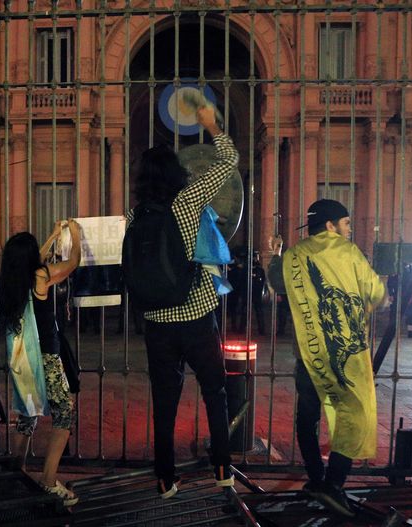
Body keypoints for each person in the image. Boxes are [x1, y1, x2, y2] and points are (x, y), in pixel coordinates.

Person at [129, 105, 239, 498]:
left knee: (164, 400)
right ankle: (223, 468)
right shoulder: (187, 202)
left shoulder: (134, 215)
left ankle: (165, 479)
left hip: (157, 322)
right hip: (195, 316)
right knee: (215, 390)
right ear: (176, 173)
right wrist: (212, 126)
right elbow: (228, 160)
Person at [282, 199, 385, 517]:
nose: (349, 229)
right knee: (352, 413)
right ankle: (334, 484)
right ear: (330, 225)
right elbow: (376, 294)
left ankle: (316, 478)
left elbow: (279, 287)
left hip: (310, 357)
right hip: (347, 358)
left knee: (308, 418)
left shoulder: (293, 255)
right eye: (346, 223)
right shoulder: (349, 252)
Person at [0, 221, 81, 506]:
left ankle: (15, 472)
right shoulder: (40, 276)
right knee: (64, 414)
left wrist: (53, 237)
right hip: (46, 358)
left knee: (28, 414)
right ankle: (48, 479)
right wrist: (77, 239)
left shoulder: (11, 281)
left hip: (21, 360)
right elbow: (72, 263)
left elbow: (37, 261)